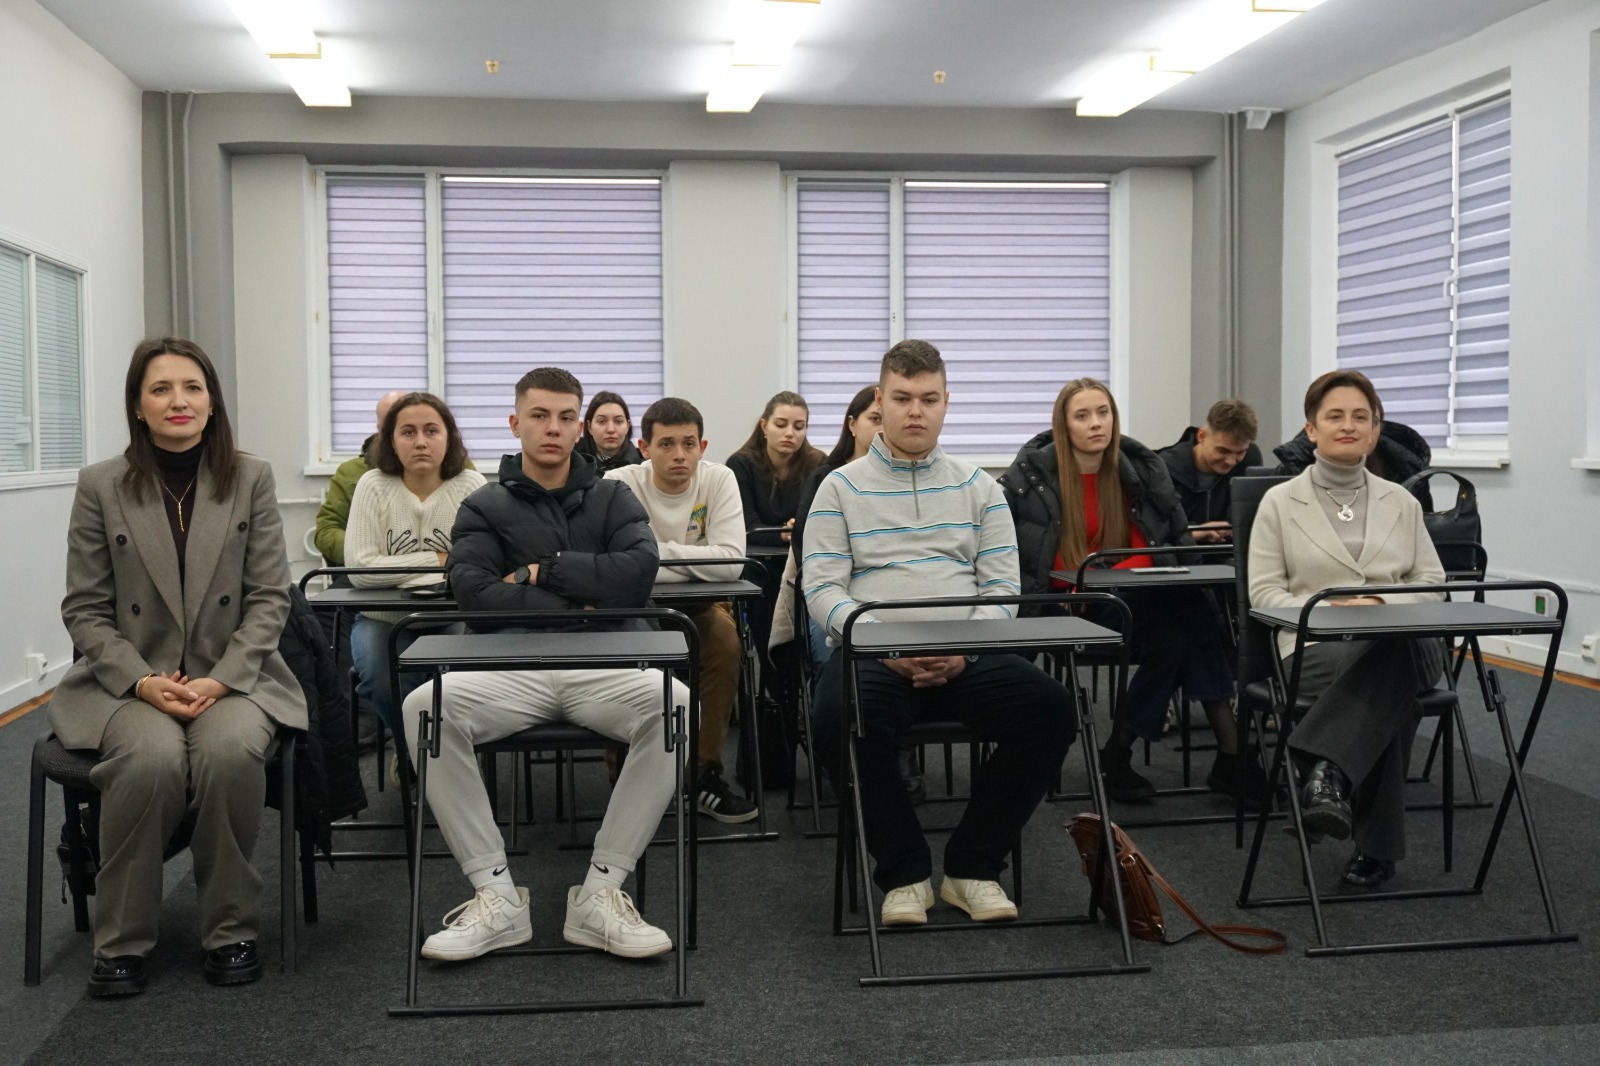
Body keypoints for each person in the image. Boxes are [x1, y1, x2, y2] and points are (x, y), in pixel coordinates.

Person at [401, 367, 684, 961]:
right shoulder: (483, 503)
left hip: (602, 664)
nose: (552, 428)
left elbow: (638, 576)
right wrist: (584, 596)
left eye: (565, 417)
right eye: (539, 416)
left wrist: (538, 572)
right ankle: (496, 896)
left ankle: (601, 892)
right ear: (515, 423)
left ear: (579, 427)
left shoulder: (613, 496)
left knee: (675, 703)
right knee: (424, 708)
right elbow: (474, 594)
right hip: (510, 668)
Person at [54, 337, 308, 997]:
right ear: (138, 406)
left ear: (212, 401)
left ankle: (231, 931)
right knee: (150, 759)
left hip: (235, 677)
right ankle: (121, 941)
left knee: (228, 752)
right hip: (130, 683)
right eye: (160, 388)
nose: (179, 401)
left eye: (192, 387)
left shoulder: (250, 478)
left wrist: (223, 678)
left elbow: (269, 598)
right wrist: (141, 681)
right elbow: (85, 609)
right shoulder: (100, 485)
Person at [806, 340, 1075, 926]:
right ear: (880, 402)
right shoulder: (838, 488)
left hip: (967, 653)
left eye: (928, 399)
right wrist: (883, 643)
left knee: (1053, 709)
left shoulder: (980, 486)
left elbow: (1002, 588)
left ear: (946, 402)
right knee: (834, 719)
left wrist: (964, 648)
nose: (915, 411)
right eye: (902, 398)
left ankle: (972, 867)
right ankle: (903, 872)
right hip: (874, 654)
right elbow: (822, 588)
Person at [1000, 379, 1267, 808]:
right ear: (1064, 425)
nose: (1096, 424)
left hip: (1128, 597)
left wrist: (1109, 574)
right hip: (1068, 605)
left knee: (1177, 634)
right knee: (1188, 614)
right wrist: (1094, 578)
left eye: (1103, 412)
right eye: (1083, 415)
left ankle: (1119, 754)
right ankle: (1230, 752)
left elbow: (1155, 547)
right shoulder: (1031, 478)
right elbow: (1033, 558)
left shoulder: (1137, 469)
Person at [1248, 369, 1446, 889]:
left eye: (1361, 417)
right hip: (1315, 645)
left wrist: (1380, 602)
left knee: (1395, 653)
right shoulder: (1278, 502)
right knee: (1395, 692)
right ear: (1311, 429)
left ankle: (1322, 770)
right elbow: (1264, 594)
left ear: (1375, 431)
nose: (1348, 425)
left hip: (1401, 637)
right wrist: (1330, 611)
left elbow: (1432, 583)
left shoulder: (1402, 501)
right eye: (1334, 416)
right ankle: (1374, 846)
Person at [605, 396, 758, 823]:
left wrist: (649, 556)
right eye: (667, 444)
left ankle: (702, 775)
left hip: (703, 604)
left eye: (689, 444)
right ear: (644, 447)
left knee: (725, 642)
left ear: (702, 447)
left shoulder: (719, 479)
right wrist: (695, 558)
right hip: (634, 605)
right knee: (617, 646)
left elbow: (731, 563)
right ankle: (628, 773)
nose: (679, 454)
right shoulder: (618, 482)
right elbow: (612, 565)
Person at [344, 392, 485, 760]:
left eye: (431, 431)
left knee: (462, 685)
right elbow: (360, 570)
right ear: (390, 440)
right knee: (381, 680)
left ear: (449, 437)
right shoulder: (372, 485)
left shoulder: (471, 485)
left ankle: (437, 756)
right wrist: (439, 560)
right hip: (382, 619)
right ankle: (414, 755)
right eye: (408, 432)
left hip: (453, 615)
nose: (420, 442)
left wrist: (395, 569)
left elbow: (482, 564)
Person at [313, 389, 410, 568]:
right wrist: (365, 552)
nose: (398, 427)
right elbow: (327, 530)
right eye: (390, 421)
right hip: (366, 569)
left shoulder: (456, 470)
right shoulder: (350, 473)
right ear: (379, 426)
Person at [1271, 412, 1434, 509]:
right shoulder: (1294, 466)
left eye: (1363, 418)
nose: (1350, 428)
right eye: (1336, 418)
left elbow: (1423, 540)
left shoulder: (1409, 470)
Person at [725, 390, 824, 549]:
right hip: (755, 557)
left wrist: (799, 526)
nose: (789, 433)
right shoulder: (740, 464)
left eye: (799, 427)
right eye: (780, 425)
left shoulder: (818, 464)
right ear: (764, 426)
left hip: (804, 556)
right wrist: (784, 534)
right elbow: (745, 528)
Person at [1157, 399, 1263, 544]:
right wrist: (1194, 533)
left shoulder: (1250, 460)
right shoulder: (1163, 469)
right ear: (1202, 436)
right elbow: (1155, 532)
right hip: (1182, 554)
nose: (1231, 461)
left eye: (1240, 452)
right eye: (1223, 451)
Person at [573, 390, 643, 472]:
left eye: (618, 421)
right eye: (602, 421)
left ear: (628, 426)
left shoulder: (642, 468)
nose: (610, 429)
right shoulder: (571, 463)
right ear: (589, 427)